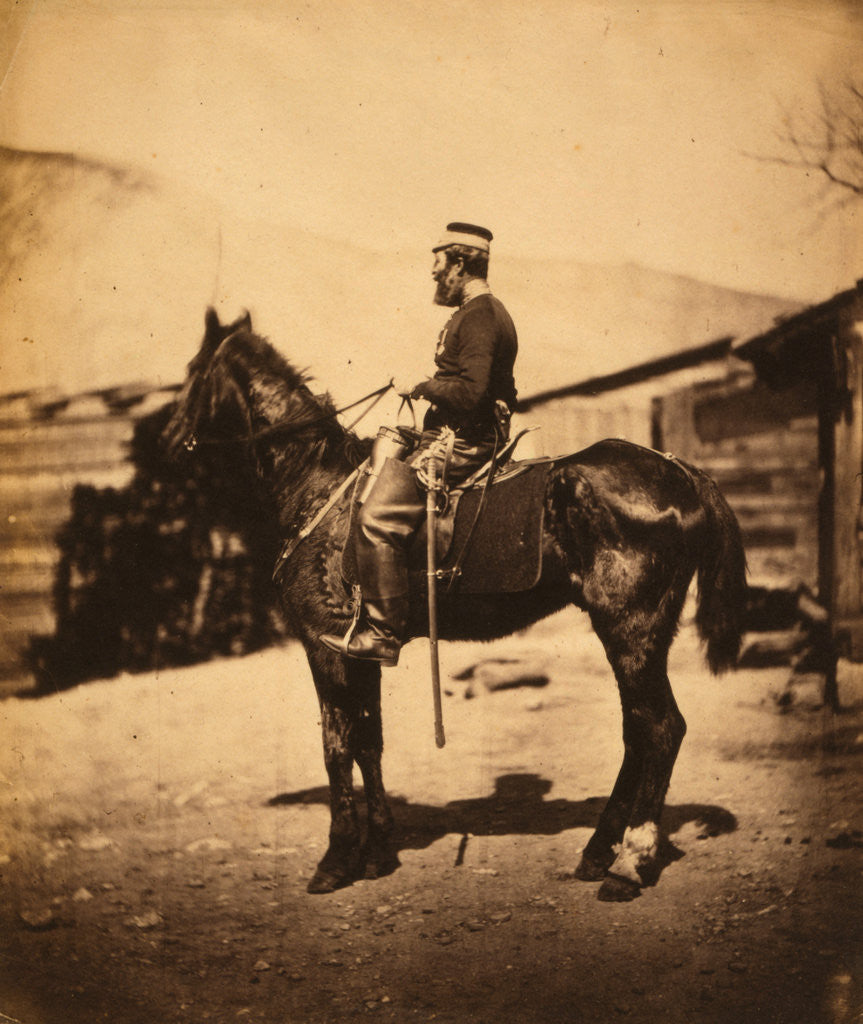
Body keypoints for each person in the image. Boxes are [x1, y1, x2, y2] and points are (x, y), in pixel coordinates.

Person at [320, 222, 518, 666]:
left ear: (460, 263)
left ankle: (383, 634)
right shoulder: (484, 313)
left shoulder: (481, 316)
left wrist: (423, 386)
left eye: (439, 261)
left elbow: (469, 392)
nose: (433, 272)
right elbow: (501, 391)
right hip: (460, 433)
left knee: (375, 516)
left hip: (462, 442)